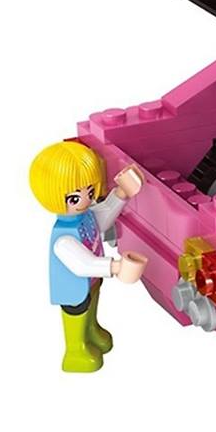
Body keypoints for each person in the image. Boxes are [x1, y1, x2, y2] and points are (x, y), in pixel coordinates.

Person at [30, 140, 147, 372]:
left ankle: (91, 330)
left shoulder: (84, 217)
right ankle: (75, 351)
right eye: (75, 198)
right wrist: (115, 267)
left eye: (90, 192)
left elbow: (102, 219)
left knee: (92, 304)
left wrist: (121, 194)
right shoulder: (63, 237)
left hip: (90, 283)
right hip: (72, 288)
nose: (86, 199)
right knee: (78, 311)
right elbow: (82, 264)